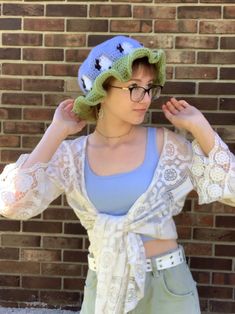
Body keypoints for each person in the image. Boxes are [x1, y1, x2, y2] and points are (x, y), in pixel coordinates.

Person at [0, 35, 234, 314]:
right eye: (134, 87)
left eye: (149, 87)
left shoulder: (167, 146)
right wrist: (56, 131)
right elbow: (11, 203)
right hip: (103, 288)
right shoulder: (72, 156)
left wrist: (201, 128)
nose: (144, 98)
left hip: (167, 289)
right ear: (101, 90)